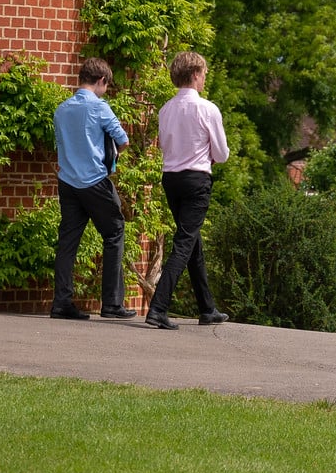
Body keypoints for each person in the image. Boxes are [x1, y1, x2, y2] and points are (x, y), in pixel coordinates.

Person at [146, 50, 231, 331]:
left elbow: (164, 147)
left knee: (191, 241)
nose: (205, 78)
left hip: (171, 179)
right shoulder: (207, 109)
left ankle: (207, 308)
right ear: (195, 74)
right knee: (184, 243)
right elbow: (221, 153)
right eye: (204, 74)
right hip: (196, 180)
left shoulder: (165, 109)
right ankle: (158, 308)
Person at [49, 57, 131, 322]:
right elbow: (123, 140)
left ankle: (61, 303)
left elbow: (60, 145)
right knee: (115, 232)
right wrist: (111, 160)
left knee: (67, 243)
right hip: (95, 181)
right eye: (107, 85)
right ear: (101, 81)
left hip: (68, 182)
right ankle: (111, 303)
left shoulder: (61, 110)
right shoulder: (99, 107)